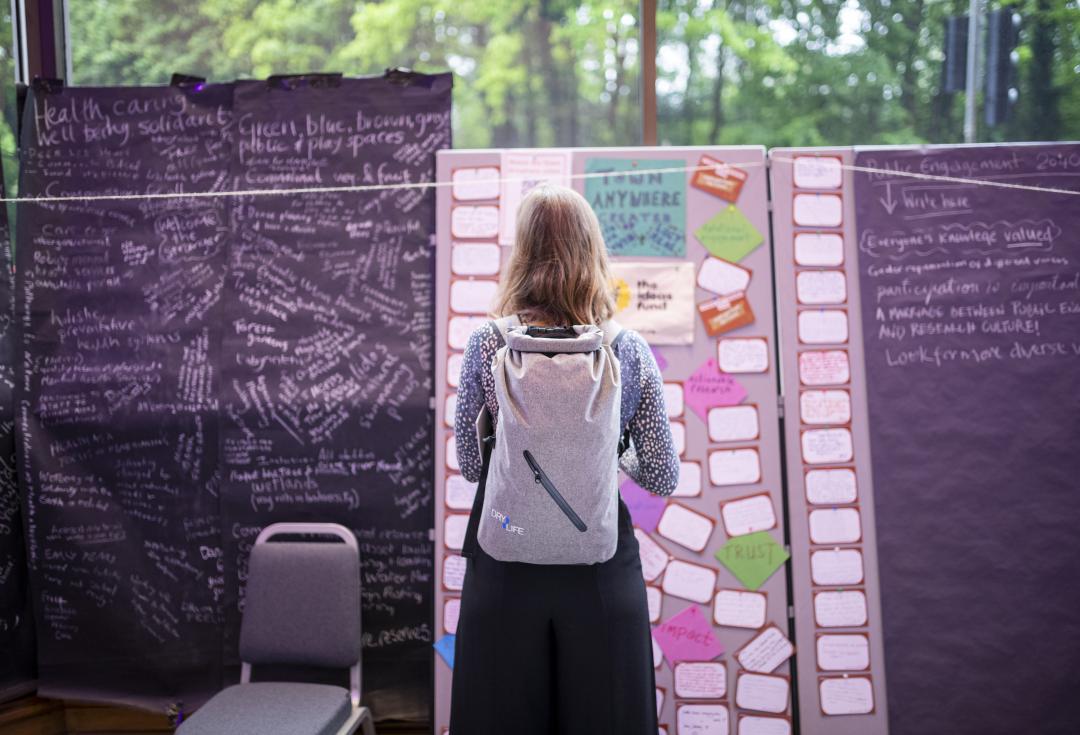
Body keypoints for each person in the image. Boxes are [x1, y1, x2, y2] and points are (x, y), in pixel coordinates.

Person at [450, 183, 679, 735]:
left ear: (521, 254)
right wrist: (607, 451)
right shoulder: (627, 349)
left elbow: (472, 465)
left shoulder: (488, 344)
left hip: (506, 556)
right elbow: (663, 475)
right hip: (599, 570)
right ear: (592, 252)